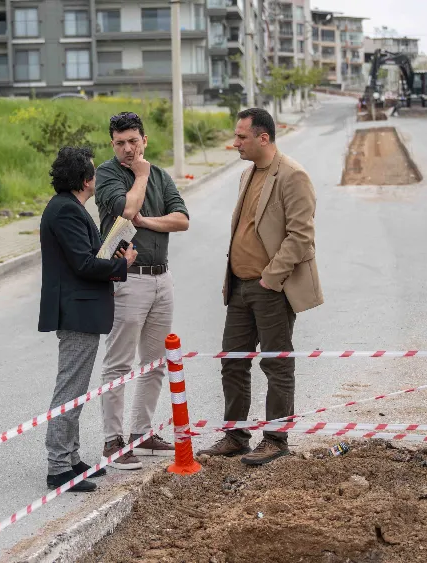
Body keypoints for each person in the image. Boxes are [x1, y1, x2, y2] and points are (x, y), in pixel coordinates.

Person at [197, 107, 323, 466]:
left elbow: (301, 237)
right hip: (238, 288)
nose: (234, 142)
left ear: (263, 138)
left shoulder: (293, 176)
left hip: (271, 289)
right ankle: (236, 436)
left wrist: (271, 276)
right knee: (233, 363)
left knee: (276, 364)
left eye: (241, 137)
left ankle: (275, 438)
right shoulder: (248, 174)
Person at [94, 112, 190, 470]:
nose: (128, 149)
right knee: (118, 364)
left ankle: (141, 433)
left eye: (133, 141)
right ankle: (113, 442)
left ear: (144, 140)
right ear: (112, 144)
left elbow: (181, 219)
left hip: (161, 277)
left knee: (154, 364)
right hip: (126, 279)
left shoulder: (162, 176)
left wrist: (147, 222)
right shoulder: (108, 174)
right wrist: (141, 175)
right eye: (120, 142)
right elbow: (127, 208)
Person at [38, 146, 137, 492]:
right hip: (77, 312)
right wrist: (122, 265)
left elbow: (88, 256)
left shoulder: (69, 207)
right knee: (70, 389)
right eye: (93, 173)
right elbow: (84, 264)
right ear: (85, 179)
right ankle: (58, 467)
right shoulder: (65, 211)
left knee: (76, 390)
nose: (96, 177)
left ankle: (71, 458)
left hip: (84, 310)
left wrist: (114, 254)